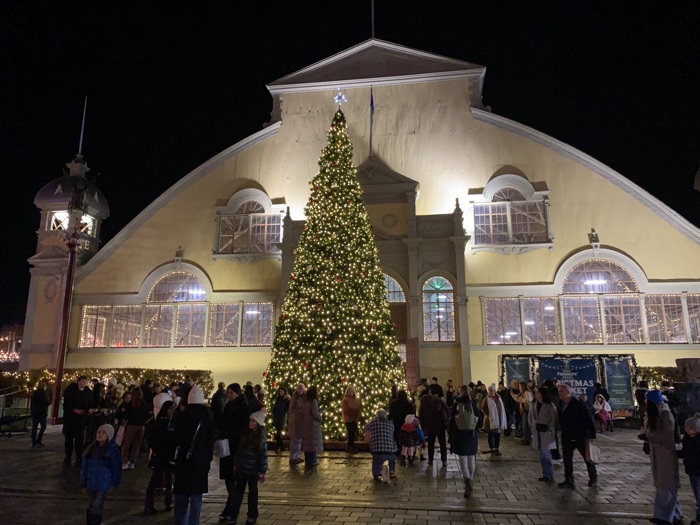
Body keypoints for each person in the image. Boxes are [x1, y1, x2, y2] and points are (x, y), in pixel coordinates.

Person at [172, 385, 216, 525]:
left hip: (184, 460)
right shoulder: (207, 416)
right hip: (200, 462)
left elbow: (176, 438)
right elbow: (211, 440)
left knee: (181, 498)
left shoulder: (183, 415)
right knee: (196, 497)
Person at [643, 389, 682, 524]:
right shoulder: (652, 415)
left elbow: (667, 434)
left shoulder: (665, 413)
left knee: (665, 484)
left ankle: (663, 517)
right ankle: (676, 515)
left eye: (646, 400)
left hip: (665, 453)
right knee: (663, 483)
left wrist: (649, 437)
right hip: (657, 453)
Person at [225, 411, 268, 525]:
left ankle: (252, 514)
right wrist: (236, 464)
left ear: (258, 423)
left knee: (252, 493)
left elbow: (263, 454)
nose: (251, 422)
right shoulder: (245, 433)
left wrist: (262, 470)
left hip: (253, 470)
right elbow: (239, 451)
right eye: (250, 420)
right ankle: (233, 514)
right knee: (237, 492)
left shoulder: (260, 436)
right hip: (242, 468)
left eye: (253, 421)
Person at [218, 383, 250, 522]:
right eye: (228, 393)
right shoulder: (228, 406)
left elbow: (241, 427)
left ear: (237, 393)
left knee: (234, 478)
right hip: (226, 444)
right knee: (228, 477)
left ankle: (232, 507)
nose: (229, 395)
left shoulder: (242, 407)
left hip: (235, 446)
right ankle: (230, 505)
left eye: (231, 393)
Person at [557, 383, 597, 489]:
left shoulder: (578, 404)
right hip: (566, 436)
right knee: (567, 459)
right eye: (559, 391)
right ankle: (568, 479)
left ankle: (593, 478)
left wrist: (592, 434)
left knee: (587, 457)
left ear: (568, 392)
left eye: (561, 391)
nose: (559, 393)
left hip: (579, 435)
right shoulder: (561, 403)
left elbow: (588, 419)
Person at [80, 424, 121, 525]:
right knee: (92, 506)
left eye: (103, 433)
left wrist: (114, 483)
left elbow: (116, 468)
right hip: (91, 483)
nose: (100, 435)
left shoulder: (112, 450)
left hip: (103, 483)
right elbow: (85, 468)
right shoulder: (91, 450)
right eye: (99, 432)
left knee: (97, 505)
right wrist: (83, 483)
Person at [143, 393, 175, 515]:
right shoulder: (168, 424)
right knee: (165, 478)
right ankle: (167, 501)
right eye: (172, 409)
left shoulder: (157, 422)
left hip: (159, 454)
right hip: (165, 454)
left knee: (158, 479)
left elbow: (151, 439)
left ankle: (150, 504)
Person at [449, 385, 480, 498]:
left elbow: (452, 420)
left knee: (462, 458)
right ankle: (470, 479)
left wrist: (450, 433)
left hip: (460, 434)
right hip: (471, 434)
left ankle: (466, 479)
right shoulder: (473, 403)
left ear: (461, 392)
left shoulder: (457, 403)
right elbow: (478, 418)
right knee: (471, 456)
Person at [116, 387, 150, 470]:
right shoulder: (144, 404)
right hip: (141, 426)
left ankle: (124, 462)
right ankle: (132, 462)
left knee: (126, 445)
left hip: (131, 425)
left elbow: (125, 414)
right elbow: (147, 414)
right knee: (136, 445)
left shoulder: (131, 404)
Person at [529, 386, 558, 483]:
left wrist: (550, 427)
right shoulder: (534, 404)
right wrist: (532, 425)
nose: (535, 394)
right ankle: (545, 473)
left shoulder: (549, 405)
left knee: (546, 453)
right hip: (537, 430)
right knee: (541, 454)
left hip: (546, 431)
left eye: (537, 392)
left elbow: (554, 418)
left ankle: (549, 474)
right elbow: (531, 416)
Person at [63, 375, 93, 466]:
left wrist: (86, 410)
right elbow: (67, 404)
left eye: (85, 381)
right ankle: (68, 456)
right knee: (69, 438)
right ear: (78, 381)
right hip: (70, 418)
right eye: (83, 381)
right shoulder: (70, 391)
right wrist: (74, 410)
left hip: (81, 419)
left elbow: (90, 403)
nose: (84, 383)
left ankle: (79, 456)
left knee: (79, 439)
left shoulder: (88, 392)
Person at [418, 389, 449, 467]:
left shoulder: (423, 403)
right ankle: (444, 460)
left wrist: (423, 427)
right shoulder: (437, 400)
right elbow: (447, 409)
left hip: (430, 425)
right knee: (442, 443)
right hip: (440, 424)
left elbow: (421, 416)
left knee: (431, 443)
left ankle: (430, 460)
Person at [364, 409, 396, 482]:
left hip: (377, 450)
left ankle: (377, 474)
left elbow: (367, 436)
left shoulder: (371, 424)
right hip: (390, 450)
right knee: (392, 457)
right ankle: (391, 470)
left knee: (376, 460)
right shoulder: (390, 424)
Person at [682, 413, 700, 525]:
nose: (688, 430)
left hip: (698, 469)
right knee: (696, 492)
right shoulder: (686, 439)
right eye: (687, 428)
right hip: (691, 469)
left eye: (691, 428)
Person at [481, 384, 507, 455]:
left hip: (498, 418)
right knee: (491, 434)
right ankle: (492, 448)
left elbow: (501, 407)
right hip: (490, 419)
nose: (490, 391)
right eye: (489, 390)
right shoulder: (487, 399)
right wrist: (488, 414)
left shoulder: (499, 398)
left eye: (492, 390)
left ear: (494, 391)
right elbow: (483, 407)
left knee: (497, 434)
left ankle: (496, 447)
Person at [301, 385, 323, 468]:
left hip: (305, 423)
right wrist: (320, 418)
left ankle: (307, 461)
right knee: (312, 444)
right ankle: (313, 460)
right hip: (313, 424)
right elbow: (315, 413)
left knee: (307, 444)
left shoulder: (305, 401)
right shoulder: (313, 401)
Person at [388, 390, 414, 454]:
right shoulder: (409, 404)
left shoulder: (394, 403)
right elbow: (412, 414)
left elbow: (391, 413)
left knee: (397, 435)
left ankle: (398, 449)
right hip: (406, 423)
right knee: (406, 436)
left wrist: (389, 418)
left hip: (396, 422)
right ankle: (405, 450)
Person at [287, 383, 306, 465]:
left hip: (300, 421)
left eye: (301, 388)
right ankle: (293, 457)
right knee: (295, 440)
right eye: (299, 388)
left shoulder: (304, 397)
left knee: (298, 439)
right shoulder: (294, 398)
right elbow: (291, 409)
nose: (300, 390)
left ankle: (296, 456)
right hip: (295, 421)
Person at [341, 386, 362, 453]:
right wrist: (353, 414)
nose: (351, 393)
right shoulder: (345, 400)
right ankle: (350, 447)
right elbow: (346, 410)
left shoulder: (356, 399)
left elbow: (359, 407)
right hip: (348, 419)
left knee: (353, 433)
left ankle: (350, 446)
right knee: (350, 433)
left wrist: (356, 416)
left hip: (354, 419)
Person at [30, 382, 51, 449]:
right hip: (42, 413)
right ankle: (38, 440)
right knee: (43, 427)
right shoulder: (44, 394)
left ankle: (33, 442)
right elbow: (47, 402)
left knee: (34, 428)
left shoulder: (35, 393)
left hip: (34, 412)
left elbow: (32, 402)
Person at [271, 386, 290, 453]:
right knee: (278, 431)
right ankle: (280, 446)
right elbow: (276, 407)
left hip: (282, 417)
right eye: (280, 391)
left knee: (279, 431)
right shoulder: (278, 399)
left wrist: (283, 413)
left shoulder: (286, 399)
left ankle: (278, 446)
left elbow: (287, 409)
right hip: (277, 416)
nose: (280, 393)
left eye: (282, 391)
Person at [518, 381, 533, 445]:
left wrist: (522, 400)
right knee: (524, 425)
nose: (519, 387)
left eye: (520, 386)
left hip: (527, 410)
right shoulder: (522, 393)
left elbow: (529, 401)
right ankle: (526, 438)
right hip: (525, 410)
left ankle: (528, 439)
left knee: (525, 425)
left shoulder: (527, 393)